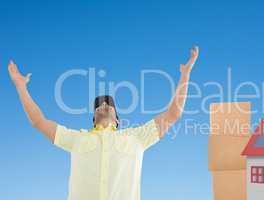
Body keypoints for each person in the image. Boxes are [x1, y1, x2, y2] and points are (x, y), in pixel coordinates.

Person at [8, 46, 199, 200]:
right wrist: (21, 87)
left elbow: (173, 115)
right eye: (98, 104)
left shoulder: (137, 137)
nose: (104, 104)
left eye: (109, 103)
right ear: (93, 119)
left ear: (118, 119)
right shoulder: (76, 138)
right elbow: (39, 122)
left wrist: (185, 75)